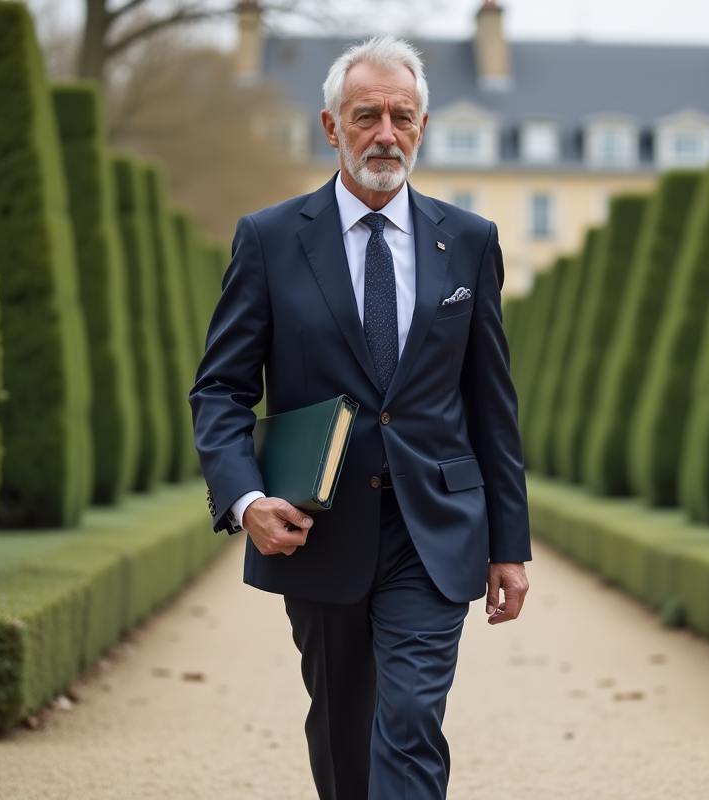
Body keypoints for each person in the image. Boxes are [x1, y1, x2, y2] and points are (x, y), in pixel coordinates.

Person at [189, 35, 531, 800]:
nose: (385, 134)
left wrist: (509, 544)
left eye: (402, 117)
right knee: (344, 732)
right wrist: (247, 502)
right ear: (330, 126)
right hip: (318, 530)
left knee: (410, 718)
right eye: (367, 115)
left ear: (422, 127)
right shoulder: (271, 240)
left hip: (434, 528)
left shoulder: (469, 242)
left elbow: (491, 404)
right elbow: (219, 390)